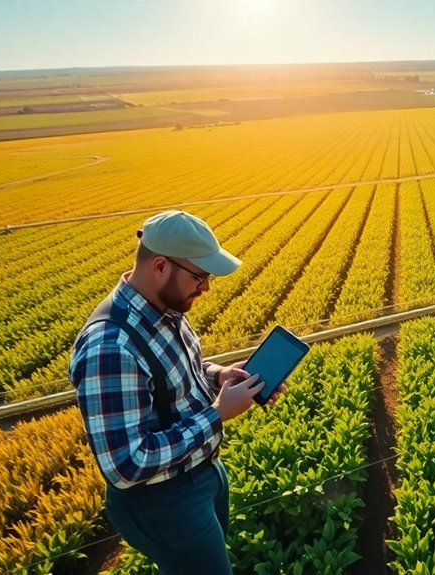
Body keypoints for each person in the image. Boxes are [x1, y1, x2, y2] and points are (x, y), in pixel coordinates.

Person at [70, 210, 285, 574]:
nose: (206, 287)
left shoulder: (164, 307)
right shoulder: (109, 347)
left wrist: (219, 376)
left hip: (200, 474)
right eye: (199, 276)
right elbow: (127, 465)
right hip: (163, 500)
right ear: (160, 266)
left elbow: (176, 369)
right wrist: (217, 413)